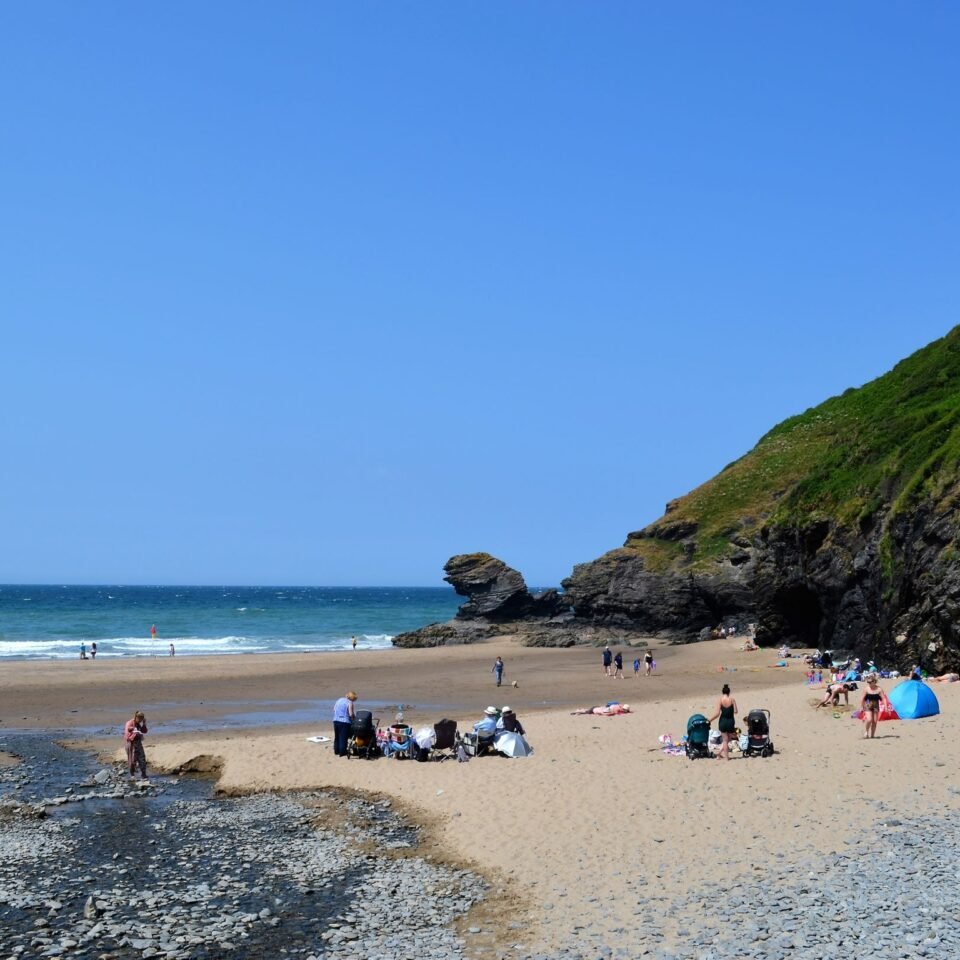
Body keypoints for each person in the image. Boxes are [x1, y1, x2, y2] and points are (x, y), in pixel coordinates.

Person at [709, 685, 738, 760]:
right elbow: (736, 711)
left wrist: (710, 720)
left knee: (725, 740)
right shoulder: (732, 700)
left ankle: (721, 755)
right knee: (728, 739)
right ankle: (725, 756)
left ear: (723, 692)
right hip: (730, 721)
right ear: (729, 692)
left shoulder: (720, 700)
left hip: (723, 721)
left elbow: (717, 713)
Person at [860, 674, 891, 739]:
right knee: (869, 719)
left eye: (870, 682)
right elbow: (862, 698)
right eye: (868, 682)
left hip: (876, 705)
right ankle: (866, 732)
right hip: (868, 705)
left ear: (874, 682)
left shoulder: (879, 689)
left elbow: (883, 698)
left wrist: (886, 707)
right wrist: (861, 707)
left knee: (874, 721)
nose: (869, 683)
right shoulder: (866, 689)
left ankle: (872, 735)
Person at [124, 711, 148, 780]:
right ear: (136, 717)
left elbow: (144, 731)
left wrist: (144, 724)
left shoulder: (138, 724)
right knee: (132, 760)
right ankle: (132, 775)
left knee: (142, 758)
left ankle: (143, 774)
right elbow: (127, 733)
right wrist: (134, 731)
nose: (140, 721)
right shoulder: (129, 723)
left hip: (138, 743)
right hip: (131, 743)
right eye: (139, 719)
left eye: (141, 719)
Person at [332, 691, 357, 757]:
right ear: (352, 698)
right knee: (343, 737)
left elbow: (334, 709)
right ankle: (342, 752)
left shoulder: (339, 700)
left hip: (335, 720)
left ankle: (336, 751)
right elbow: (351, 714)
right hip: (344, 722)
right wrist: (354, 718)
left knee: (337, 737)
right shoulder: (350, 702)